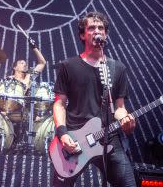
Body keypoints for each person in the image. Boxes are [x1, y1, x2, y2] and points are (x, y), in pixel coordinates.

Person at [52, 11, 137, 186]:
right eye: (91, 28)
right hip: (75, 137)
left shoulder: (117, 68)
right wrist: (63, 134)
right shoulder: (68, 66)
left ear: (105, 34)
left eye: (100, 28)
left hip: (109, 138)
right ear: (83, 35)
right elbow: (59, 103)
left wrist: (125, 119)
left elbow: (119, 107)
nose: (97, 31)